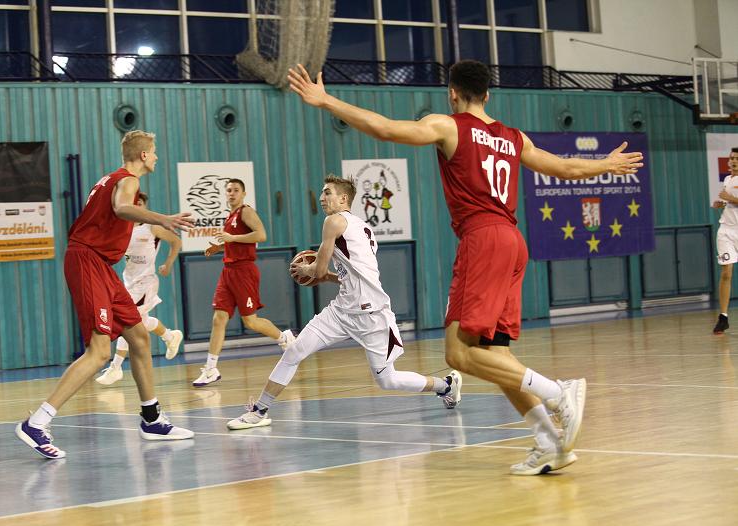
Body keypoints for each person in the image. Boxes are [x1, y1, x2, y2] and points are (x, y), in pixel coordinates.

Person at [287, 59, 644, 475]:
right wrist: (605, 165)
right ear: (488, 94)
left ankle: (558, 391)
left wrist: (327, 101)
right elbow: (563, 167)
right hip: (513, 242)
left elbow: (385, 128)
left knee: (457, 353)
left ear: (452, 93)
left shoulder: (449, 126)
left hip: (483, 239)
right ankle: (550, 442)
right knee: (495, 354)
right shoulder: (513, 137)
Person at [227, 174, 461, 430]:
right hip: (341, 311)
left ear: (343, 198)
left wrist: (307, 271)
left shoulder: (333, 221)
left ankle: (446, 386)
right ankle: (259, 410)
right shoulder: (364, 228)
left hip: (371, 314)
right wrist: (323, 273)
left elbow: (318, 270)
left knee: (388, 380)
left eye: (327, 192)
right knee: (294, 351)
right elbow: (347, 275)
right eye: (322, 192)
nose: (321, 198)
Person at [15, 130, 195, 459]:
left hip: (101, 266)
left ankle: (152, 418)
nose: (156, 157)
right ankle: (36, 422)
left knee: (139, 338)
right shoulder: (127, 180)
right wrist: (163, 219)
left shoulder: (110, 179)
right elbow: (122, 208)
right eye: (154, 151)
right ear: (144, 155)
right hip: (87, 261)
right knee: (99, 352)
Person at [192, 178, 295, 387]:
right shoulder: (229, 216)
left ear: (244, 193)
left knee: (251, 321)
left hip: (244, 271)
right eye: (229, 190)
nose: (231, 193)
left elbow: (261, 235)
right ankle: (210, 369)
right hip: (228, 271)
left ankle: (284, 338)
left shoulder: (245, 212)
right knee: (218, 319)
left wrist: (231, 239)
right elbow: (235, 241)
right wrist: (220, 247)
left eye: (236, 190)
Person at [96, 190, 184, 384]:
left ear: (144, 207)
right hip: (128, 281)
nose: (137, 207)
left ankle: (116, 367)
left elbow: (176, 241)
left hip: (146, 283)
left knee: (126, 321)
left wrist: (168, 264)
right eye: (134, 204)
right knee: (141, 321)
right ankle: (170, 336)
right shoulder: (122, 229)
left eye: (140, 204)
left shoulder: (152, 227)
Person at [712, 147, 738, 334]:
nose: (734, 161)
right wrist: (721, 203)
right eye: (732, 158)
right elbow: (729, 201)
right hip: (726, 231)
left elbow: (732, 198)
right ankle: (723, 317)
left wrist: (730, 198)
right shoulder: (728, 179)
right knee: (726, 272)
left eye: (737, 158)